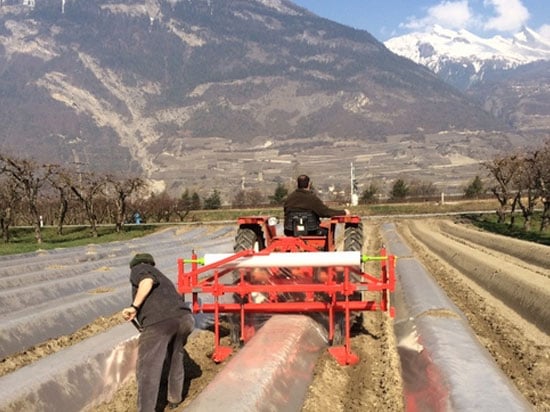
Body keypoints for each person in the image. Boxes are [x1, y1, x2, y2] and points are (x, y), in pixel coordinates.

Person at [122, 253, 195, 412]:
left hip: (160, 322)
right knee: (176, 356)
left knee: (148, 368)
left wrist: (134, 307)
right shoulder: (163, 277)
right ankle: (174, 398)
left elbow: (146, 281)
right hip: (185, 319)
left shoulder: (140, 268)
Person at [283, 174, 350, 236]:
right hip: (312, 232)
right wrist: (343, 212)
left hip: (290, 231)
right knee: (327, 231)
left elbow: (286, 213)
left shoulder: (289, 198)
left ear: (297, 184)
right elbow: (325, 212)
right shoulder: (312, 199)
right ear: (309, 184)